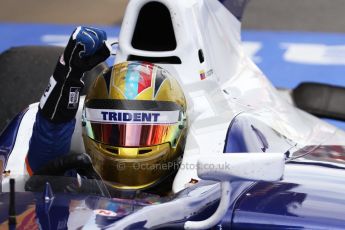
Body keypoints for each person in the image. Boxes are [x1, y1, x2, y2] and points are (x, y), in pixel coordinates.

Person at [25, 27, 188, 194]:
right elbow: (43, 164)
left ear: (179, 130)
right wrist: (68, 76)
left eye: (147, 132)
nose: (126, 150)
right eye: (114, 132)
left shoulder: (197, 183)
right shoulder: (77, 184)